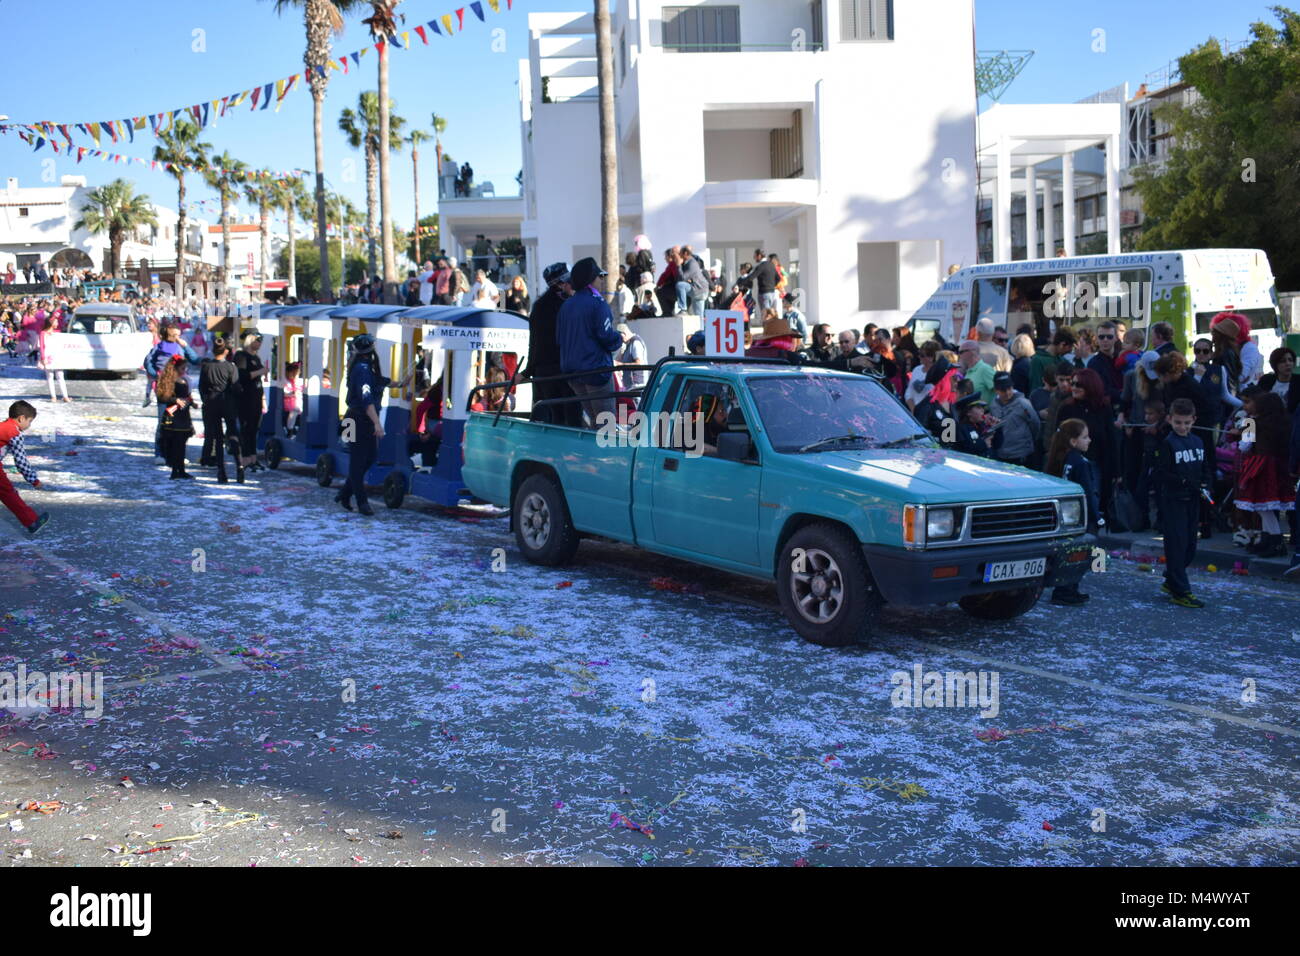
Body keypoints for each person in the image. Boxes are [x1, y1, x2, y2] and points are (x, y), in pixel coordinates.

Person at [1152, 398, 1214, 608]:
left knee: (1190, 546)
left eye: (1187, 422)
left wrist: (1206, 483)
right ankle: (1181, 590)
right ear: (1170, 419)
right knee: (1176, 546)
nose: (1182, 427)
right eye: (1178, 422)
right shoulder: (1167, 443)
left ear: (1194, 420)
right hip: (1174, 500)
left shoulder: (1197, 441)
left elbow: (1205, 465)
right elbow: (1160, 473)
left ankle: (1172, 578)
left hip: (1193, 500)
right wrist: (1183, 482)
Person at [557, 257, 622, 425]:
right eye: (600, 276)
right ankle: (604, 453)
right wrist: (619, 339)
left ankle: (593, 451)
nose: (602, 280)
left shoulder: (566, 306)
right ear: (592, 279)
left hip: (572, 373)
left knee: (594, 420)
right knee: (606, 423)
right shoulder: (597, 303)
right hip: (595, 370)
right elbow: (607, 336)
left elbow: (559, 339)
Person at [1234, 390, 1294, 557]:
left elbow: (1243, 447)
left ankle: (1275, 542)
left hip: (1261, 466)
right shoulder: (1286, 422)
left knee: (1264, 507)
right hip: (1280, 466)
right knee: (1267, 507)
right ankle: (1267, 540)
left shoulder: (1252, 422)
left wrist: (1241, 434)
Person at [523, 262, 582, 428]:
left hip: (545, 373)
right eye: (568, 281)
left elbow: (533, 344)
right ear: (560, 284)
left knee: (555, 420)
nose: (572, 285)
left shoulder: (539, 306)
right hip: (564, 372)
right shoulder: (568, 305)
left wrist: (529, 370)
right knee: (571, 420)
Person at [1045, 418, 1097, 606]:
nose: (1089, 440)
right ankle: (1067, 589)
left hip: (1066, 515)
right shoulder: (1081, 462)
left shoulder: (1062, 458)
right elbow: (1088, 492)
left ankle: (1067, 588)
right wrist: (1096, 516)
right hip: (1079, 514)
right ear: (1073, 441)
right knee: (1079, 552)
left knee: (1069, 550)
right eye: (1085, 437)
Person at [0, 400, 49, 535]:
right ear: (21, 418)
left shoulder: (3, 425)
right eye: (29, 421)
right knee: (8, 493)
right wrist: (34, 480)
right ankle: (31, 521)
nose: (29, 425)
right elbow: (21, 462)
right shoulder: (14, 433)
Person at [198, 341, 241, 483]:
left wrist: (206, 399)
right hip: (228, 402)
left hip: (212, 403)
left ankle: (221, 471)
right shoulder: (230, 367)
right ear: (226, 351)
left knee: (218, 437)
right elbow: (236, 388)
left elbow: (201, 387)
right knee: (233, 434)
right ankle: (239, 464)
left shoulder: (206, 367)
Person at [155, 354, 197, 480]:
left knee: (182, 444)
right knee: (175, 444)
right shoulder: (168, 380)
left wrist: (192, 402)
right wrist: (176, 400)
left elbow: (187, 396)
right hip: (173, 415)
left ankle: (181, 470)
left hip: (183, 415)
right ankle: (175, 470)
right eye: (182, 368)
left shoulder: (183, 379)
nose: (184, 371)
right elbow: (162, 397)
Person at [232, 332, 268, 472]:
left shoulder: (256, 357)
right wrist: (260, 372)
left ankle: (253, 458)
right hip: (245, 398)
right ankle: (245, 459)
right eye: (258, 340)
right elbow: (242, 375)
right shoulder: (241, 356)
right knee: (246, 429)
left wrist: (263, 399)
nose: (259, 344)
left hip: (256, 396)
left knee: (254, 429)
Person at [987, 371, 1040, 467]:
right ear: (996, 390)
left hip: (1021, 455)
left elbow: (1035, 424)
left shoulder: (1023, 404)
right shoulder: (993, 406)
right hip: (1001, 455)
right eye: (1003, 390)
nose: (1007, 393)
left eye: (1009, 388)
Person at [38, 314, 71, 404]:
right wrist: (43, 357)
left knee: (60, 375)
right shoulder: (43, 333)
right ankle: (53, 396)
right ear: (51, 323)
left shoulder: (57, 332)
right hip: (47, 357)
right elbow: (41, 346)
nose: (57, 323)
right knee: (50, 376)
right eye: (55, 321)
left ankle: (65, 396)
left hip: (57, 356)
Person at [957, 340, 995, 405]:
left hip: (986, 413)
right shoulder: (969, 371)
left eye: (961, 352)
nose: (959, 355)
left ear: (971, 352)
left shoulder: (985, 369)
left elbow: (1001, 392)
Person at [614, 322, 649, 391]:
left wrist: (621, 364)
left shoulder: (636, 342)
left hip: (637, 385)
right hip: (631, 386)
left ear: (624, 334)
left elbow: (639, 363)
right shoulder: (628, 343)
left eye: (619, 336)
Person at [282, 361, 304, 437]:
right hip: (289, 403)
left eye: (296, 373)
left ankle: (294, 429)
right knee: (294, 412)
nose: (294, 375)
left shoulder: (299, 382)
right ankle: (290, 430)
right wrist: (292, 393)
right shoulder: (286, 382)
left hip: (297, 403)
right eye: (292, 373)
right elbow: (284, 394)